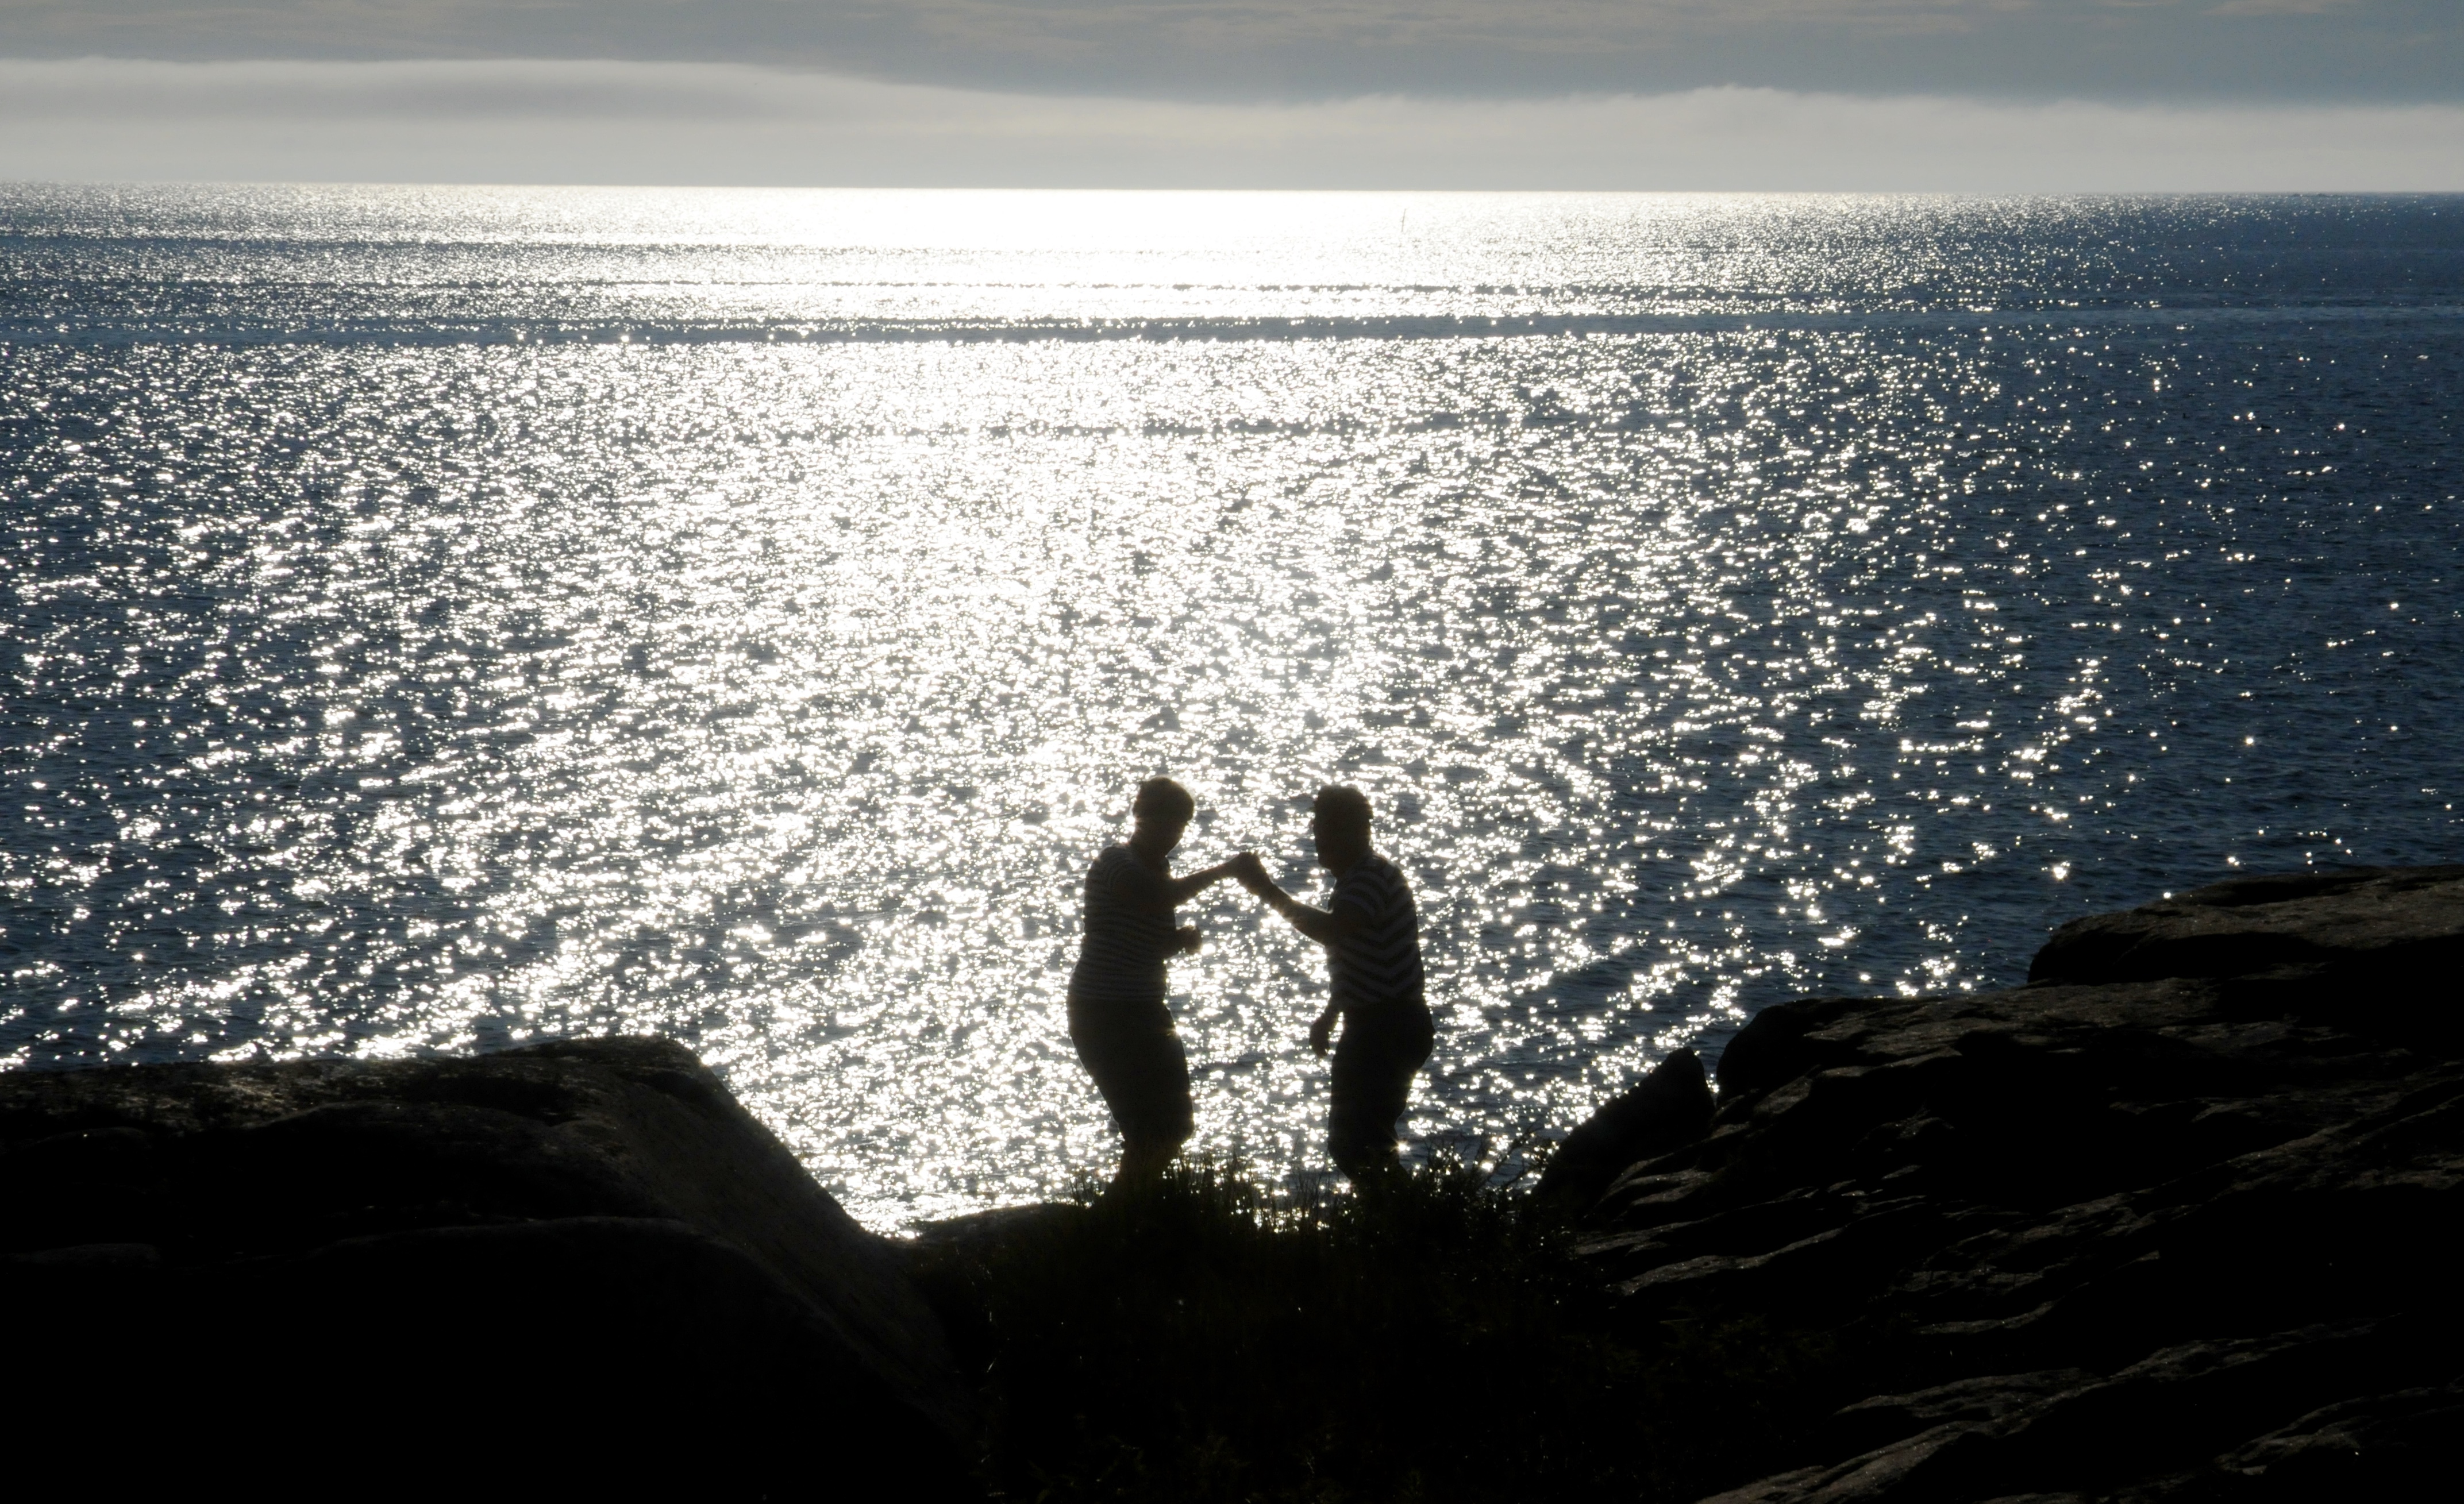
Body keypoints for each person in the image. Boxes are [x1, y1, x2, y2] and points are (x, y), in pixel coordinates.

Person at [1234, 785, 1433, 1178]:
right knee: (1362, 1142)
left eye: (1328, 829)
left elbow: (1334, 931)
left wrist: (1266, 890)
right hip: (1379, 1023)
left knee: (1358, 1144)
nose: (1319, 840)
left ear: (1356, 832)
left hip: (1387, 1027)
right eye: (1318, 828)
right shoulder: (1359, 877)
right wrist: (1332, 1012)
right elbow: (1359, 955)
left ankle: (1409, 1213)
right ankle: (1401, 1211)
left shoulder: (1368, 878)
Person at [1068, 777, 1241, 1185]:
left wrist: (1178, 941)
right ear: (1141, 818)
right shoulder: (1116, 862)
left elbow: (1143, 937)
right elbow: (1154, 900)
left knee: (1175, 1125)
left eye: (1180, 826)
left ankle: (1129, 1205)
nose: (1173, 835)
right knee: (1147, 1127)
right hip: (1105, 1011)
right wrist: (1224, 871)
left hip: (1144, 1008)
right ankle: (1123, 1209)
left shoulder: (1158, 869)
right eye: (1167, 823)